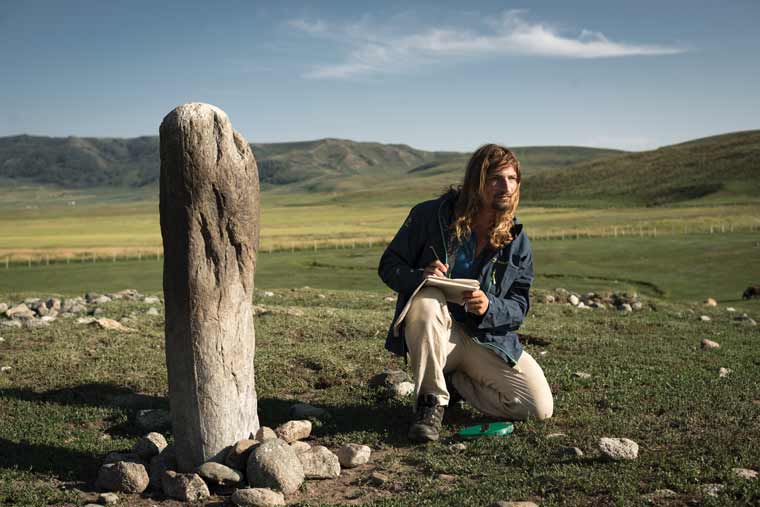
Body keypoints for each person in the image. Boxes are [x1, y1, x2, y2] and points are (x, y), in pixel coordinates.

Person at [378, 144, 553, 442]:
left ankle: (456, 384)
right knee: (426, 301)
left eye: (512, 179)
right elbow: (389, 266)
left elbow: (519, 306)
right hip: (437, 336)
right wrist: (420, 275)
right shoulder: (428, 216)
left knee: (538, 408)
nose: (506, 187)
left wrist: (489, 307)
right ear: (477, 181)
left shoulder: (517, 241)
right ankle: (430, 403)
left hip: (484, 339)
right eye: (497, 178)